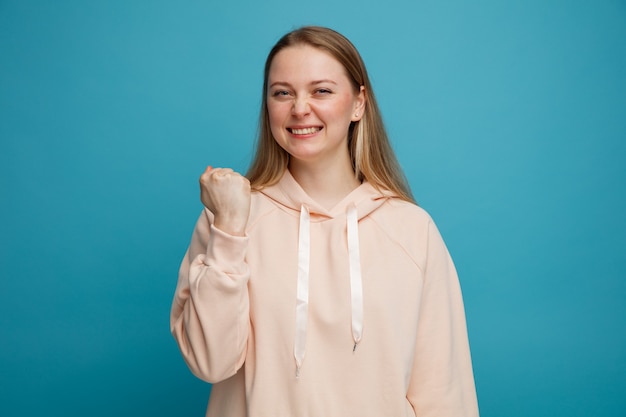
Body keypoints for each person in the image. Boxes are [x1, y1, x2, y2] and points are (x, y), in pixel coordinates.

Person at [170, 26, 479, 417]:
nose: (300, 108)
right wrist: (230, 228)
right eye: (282, 92)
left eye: (321, 91)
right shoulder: (228, 218)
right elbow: (209, 362)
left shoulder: (412, 230)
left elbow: (444, 393)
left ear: (358, 103)